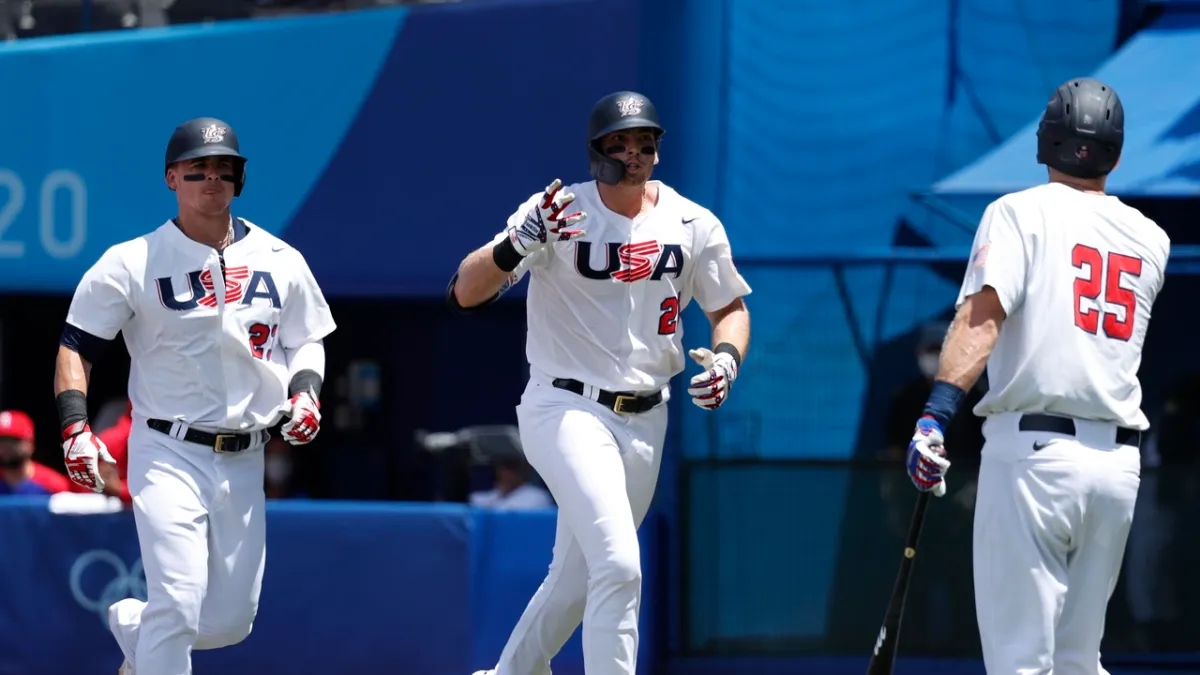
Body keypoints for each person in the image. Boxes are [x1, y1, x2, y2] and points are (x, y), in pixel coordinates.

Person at [449, 90, 752, 675]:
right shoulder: (559, 210)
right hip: (565, 405)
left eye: (644, 142)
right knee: (620, 564)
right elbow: (464, 291)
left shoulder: (693, 222)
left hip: (646, 416)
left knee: (575, 580)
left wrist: (726, 360)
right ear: (596, 151)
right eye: (620, 142)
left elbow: (730, 308)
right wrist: (519, 242)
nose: (633, 153)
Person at [904, 78, 1170, 674]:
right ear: (1116, 153)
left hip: (1034, 459)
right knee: (1078, 661)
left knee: (1021, 662)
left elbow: (979, 324)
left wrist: (935, 416)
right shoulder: (1153, 239)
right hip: (1116, 471)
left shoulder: (1015, 212)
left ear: (1045, 143)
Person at [53, 117, 336, 675]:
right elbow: (75, 348)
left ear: (239, 181)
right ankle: (156, 632)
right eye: (197, 170)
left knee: (231, 622)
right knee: (179, 604)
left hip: (246, 453)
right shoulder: (132, 260)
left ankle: (138, 629)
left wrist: (306, 395)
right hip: (167, 450)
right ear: (170, 178)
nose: (212, 181)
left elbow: (308, 338)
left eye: (224, 171)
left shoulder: (282, 258)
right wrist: (74, 428)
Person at [0, 409, 72, 495]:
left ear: (30, 444)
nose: (5, 447)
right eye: (1, 441)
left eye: (13, 441)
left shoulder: (54, 485)